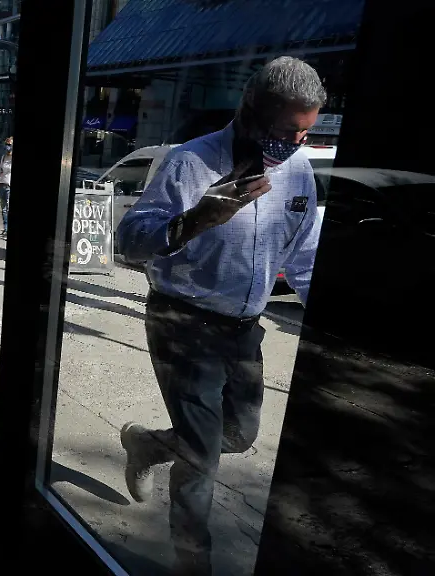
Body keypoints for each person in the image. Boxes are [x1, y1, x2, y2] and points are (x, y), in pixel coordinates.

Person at [115, 56, 324, 575]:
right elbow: (128, 242)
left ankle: (146, 442)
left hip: (244, 330)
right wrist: (192, 221)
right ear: (251, 111)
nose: (295, 145)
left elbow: (303, 253)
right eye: (287, 132)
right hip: (183, 323)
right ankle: (194, 566)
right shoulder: (192, 162)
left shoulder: (298, 170)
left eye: (305, 133)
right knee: (200, 460)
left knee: (240, 435)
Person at [0, 136, 13, 239]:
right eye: (6, 144)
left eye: (9, 145)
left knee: (9, 209)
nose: (7, 147)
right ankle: (5, 229)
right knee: (4, 209)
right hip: (2, 185)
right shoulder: (4, 157)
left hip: (9, 186)